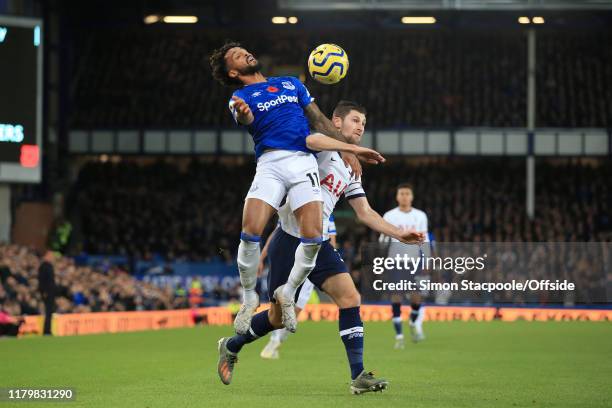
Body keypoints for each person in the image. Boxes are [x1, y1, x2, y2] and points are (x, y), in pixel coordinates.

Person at [217, 101, 425, 394]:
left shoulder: (352, 170)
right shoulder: (323, 146)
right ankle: (232, 344)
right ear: (336, 123)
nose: (361, 126)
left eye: (364, 123)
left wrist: (399, 234)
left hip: (318, 244)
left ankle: (358, 375)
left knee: (350, 297)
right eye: (355, 120)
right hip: (289, 240)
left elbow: (364, 212)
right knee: (276, 318)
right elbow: (310, 138)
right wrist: (350, 150)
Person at [209, 42, 384, 334]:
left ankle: (288, 294)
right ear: (233, 71)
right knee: (250, 231)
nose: (247, 53)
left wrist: (349, 150)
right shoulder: (240, 96)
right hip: (270, 163)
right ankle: (249, 297)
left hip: (302, 163)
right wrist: (242, 114)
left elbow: (317, 119)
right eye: (238, 55)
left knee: (314, 237)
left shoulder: (290, 84)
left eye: (245, 50)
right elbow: (246, 118)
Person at [379, 183, 429, 348]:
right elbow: (382, 239)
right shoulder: (389, 216)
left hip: (414, 262)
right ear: (397, 196)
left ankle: (414, 323)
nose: (404, 196)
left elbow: (425, 240)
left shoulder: (420, 216)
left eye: (407, 193)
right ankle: (399, 337)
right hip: (395, 262)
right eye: (402, 193)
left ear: (412, 196)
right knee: (397, 297)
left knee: (416, 298)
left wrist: (427, 260)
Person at [37, 251, 56, 336]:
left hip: (51, 292)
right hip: (47, 293)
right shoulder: (44, 266)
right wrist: (43, 291)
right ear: (46, 256)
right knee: (48, 312)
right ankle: (46, 331)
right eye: (51, 256)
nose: (52, 257)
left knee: (50, 312)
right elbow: (42, 281)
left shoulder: (49, 266)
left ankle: (48, 330)